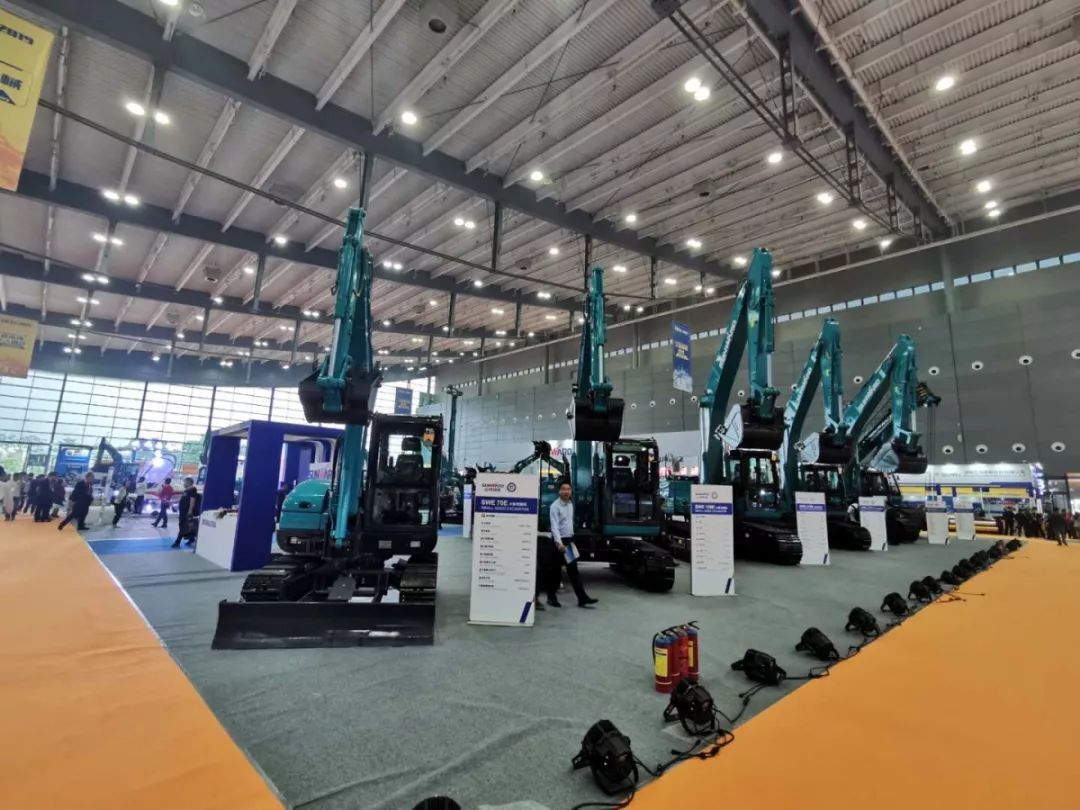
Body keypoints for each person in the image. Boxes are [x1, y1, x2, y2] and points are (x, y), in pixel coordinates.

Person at [546, 480, 598, 608]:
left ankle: (582, 598)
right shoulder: (555, 506)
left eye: (568, 489)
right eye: (563, 489)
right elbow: (554, 527)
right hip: (559, 543)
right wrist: (559, 544)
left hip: (568, 541)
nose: (566, 491)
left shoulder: (570, 504)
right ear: (559, 491)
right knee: (556, 573)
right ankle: (551, 597)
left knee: (574, 571)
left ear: (571, 491)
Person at [172, 477, 201, 548]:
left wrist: (190, 510)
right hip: (183, 511)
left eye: (184, 482)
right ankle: (191, 539)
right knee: (185, 526)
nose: (183, 484)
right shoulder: (186, 491)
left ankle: (177, 541)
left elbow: (192, 500)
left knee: (183, 526)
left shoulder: (192, 490)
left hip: (186, 512)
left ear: (188, 482)